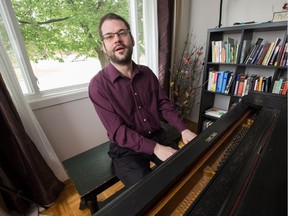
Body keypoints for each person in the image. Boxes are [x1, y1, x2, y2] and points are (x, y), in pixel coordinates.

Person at [89, 13, 197, 187]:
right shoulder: (98, 85)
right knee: (147, 192)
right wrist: (155, 148)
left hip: (157, 135)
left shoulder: (146, 73)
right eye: (109, 37)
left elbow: (163, 104)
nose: (117, 39)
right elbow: (117, 131)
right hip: (126, 148)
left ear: (131, 39)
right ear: (103, 46)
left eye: (122, 33)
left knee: (184, 171)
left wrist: (183, 129)